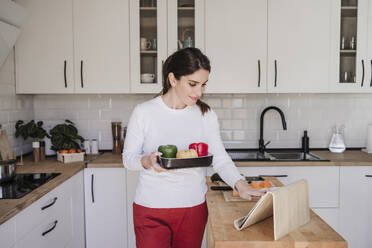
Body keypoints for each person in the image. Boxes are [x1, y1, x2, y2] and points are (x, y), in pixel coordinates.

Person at [123, 47, 266, 248]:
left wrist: (240, 185)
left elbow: (220, 159)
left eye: (203, 85)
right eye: (192, 84)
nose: (199, 92)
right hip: (151, 208)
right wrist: (147, 161)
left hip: (192, 209)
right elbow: (128, 158)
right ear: (173, 80)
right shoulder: (144, 112)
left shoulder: (205, 115)